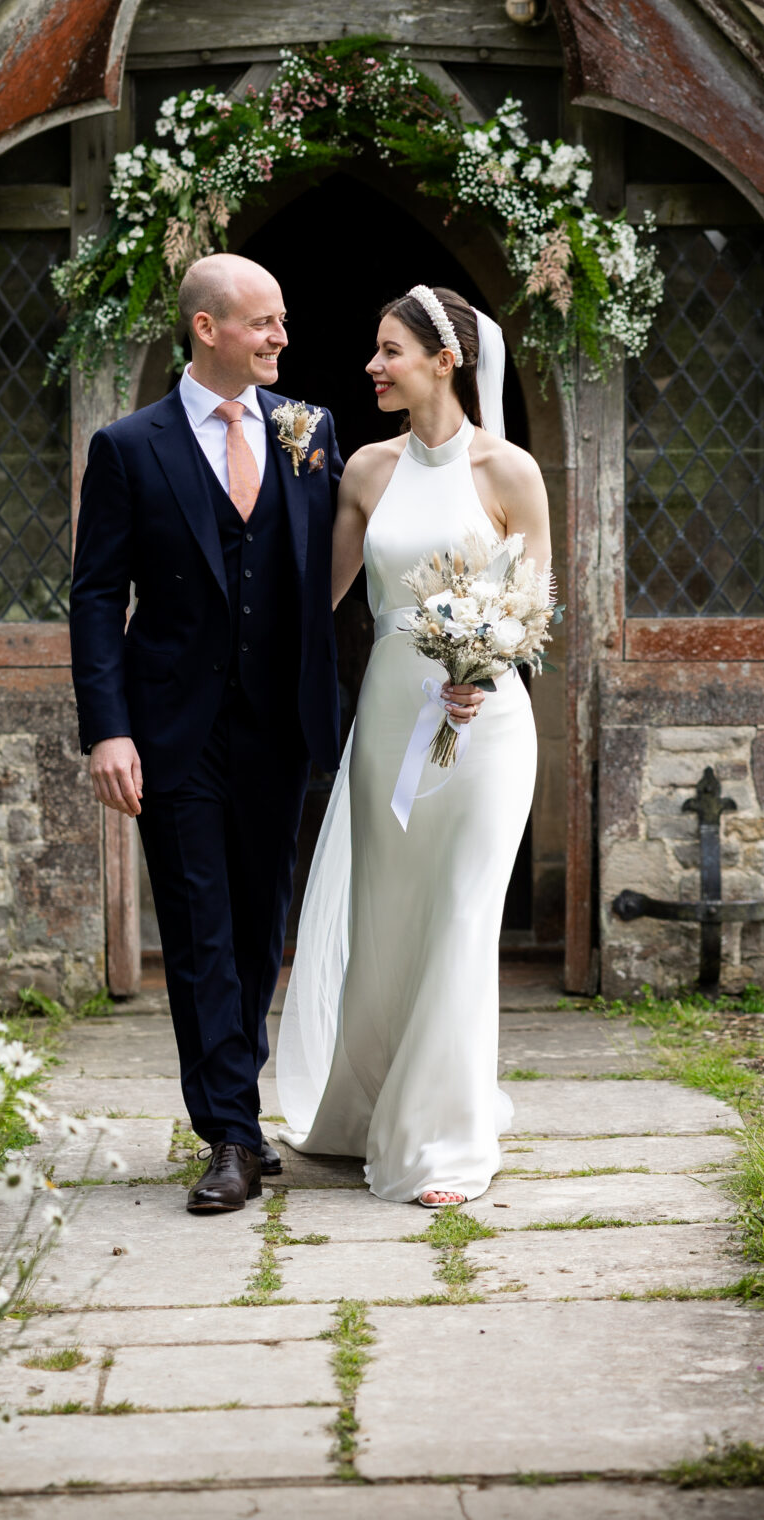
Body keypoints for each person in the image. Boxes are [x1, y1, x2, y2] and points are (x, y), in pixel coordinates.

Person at [66, 253, 344, 1214]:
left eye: (280, 322)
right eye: (263, 322)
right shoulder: (129, 447)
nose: (279, 338)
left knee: (262, 924)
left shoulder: (311, 432)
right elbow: (97, 595)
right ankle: (228, 1130)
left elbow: (348, 563)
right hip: (171, 727)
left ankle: (239, 1106)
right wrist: (107, 732)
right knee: (197, 930)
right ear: (207, 329)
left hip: (279, 724)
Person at [277, 284, 550, 1206]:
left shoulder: (509, 472)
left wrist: (489, 661)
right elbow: (316, 598)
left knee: (465, 918)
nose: (372, 366)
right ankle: (366, 1109)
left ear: (446, 360)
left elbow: (534, 604)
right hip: (392, 712)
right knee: (387, 923)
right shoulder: (364, 470)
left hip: (488, 724)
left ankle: (442, 1141)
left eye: (389, 350)